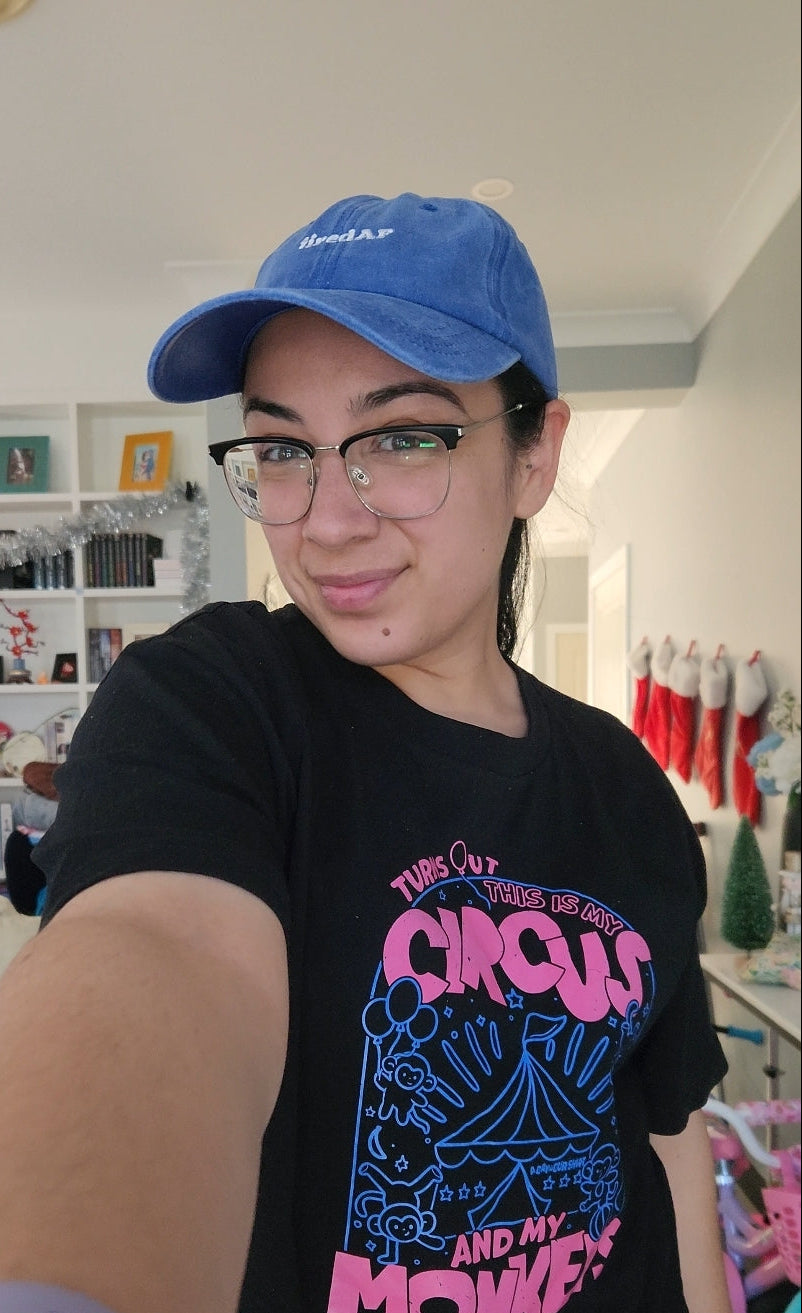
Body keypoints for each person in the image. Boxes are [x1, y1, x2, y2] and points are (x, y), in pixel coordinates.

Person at [0, 193, 731, 1313]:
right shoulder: (213, 701)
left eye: (404, 437)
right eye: (285, 447)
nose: (325, 519)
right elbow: (157, 950)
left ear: (534, 457)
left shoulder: (624, 782)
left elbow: (669, 1131)